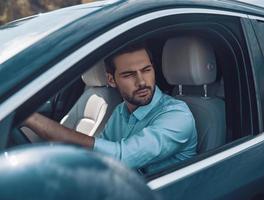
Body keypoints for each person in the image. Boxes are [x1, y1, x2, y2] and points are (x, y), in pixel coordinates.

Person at [24, 43, 197, 173]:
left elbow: (120, 157)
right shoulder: (120, 112)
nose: (142, 82)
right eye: (129, 75)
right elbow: (98, 158)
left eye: (146, 70)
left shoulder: (177, 115)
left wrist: (30, 117)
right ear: (112, 80)